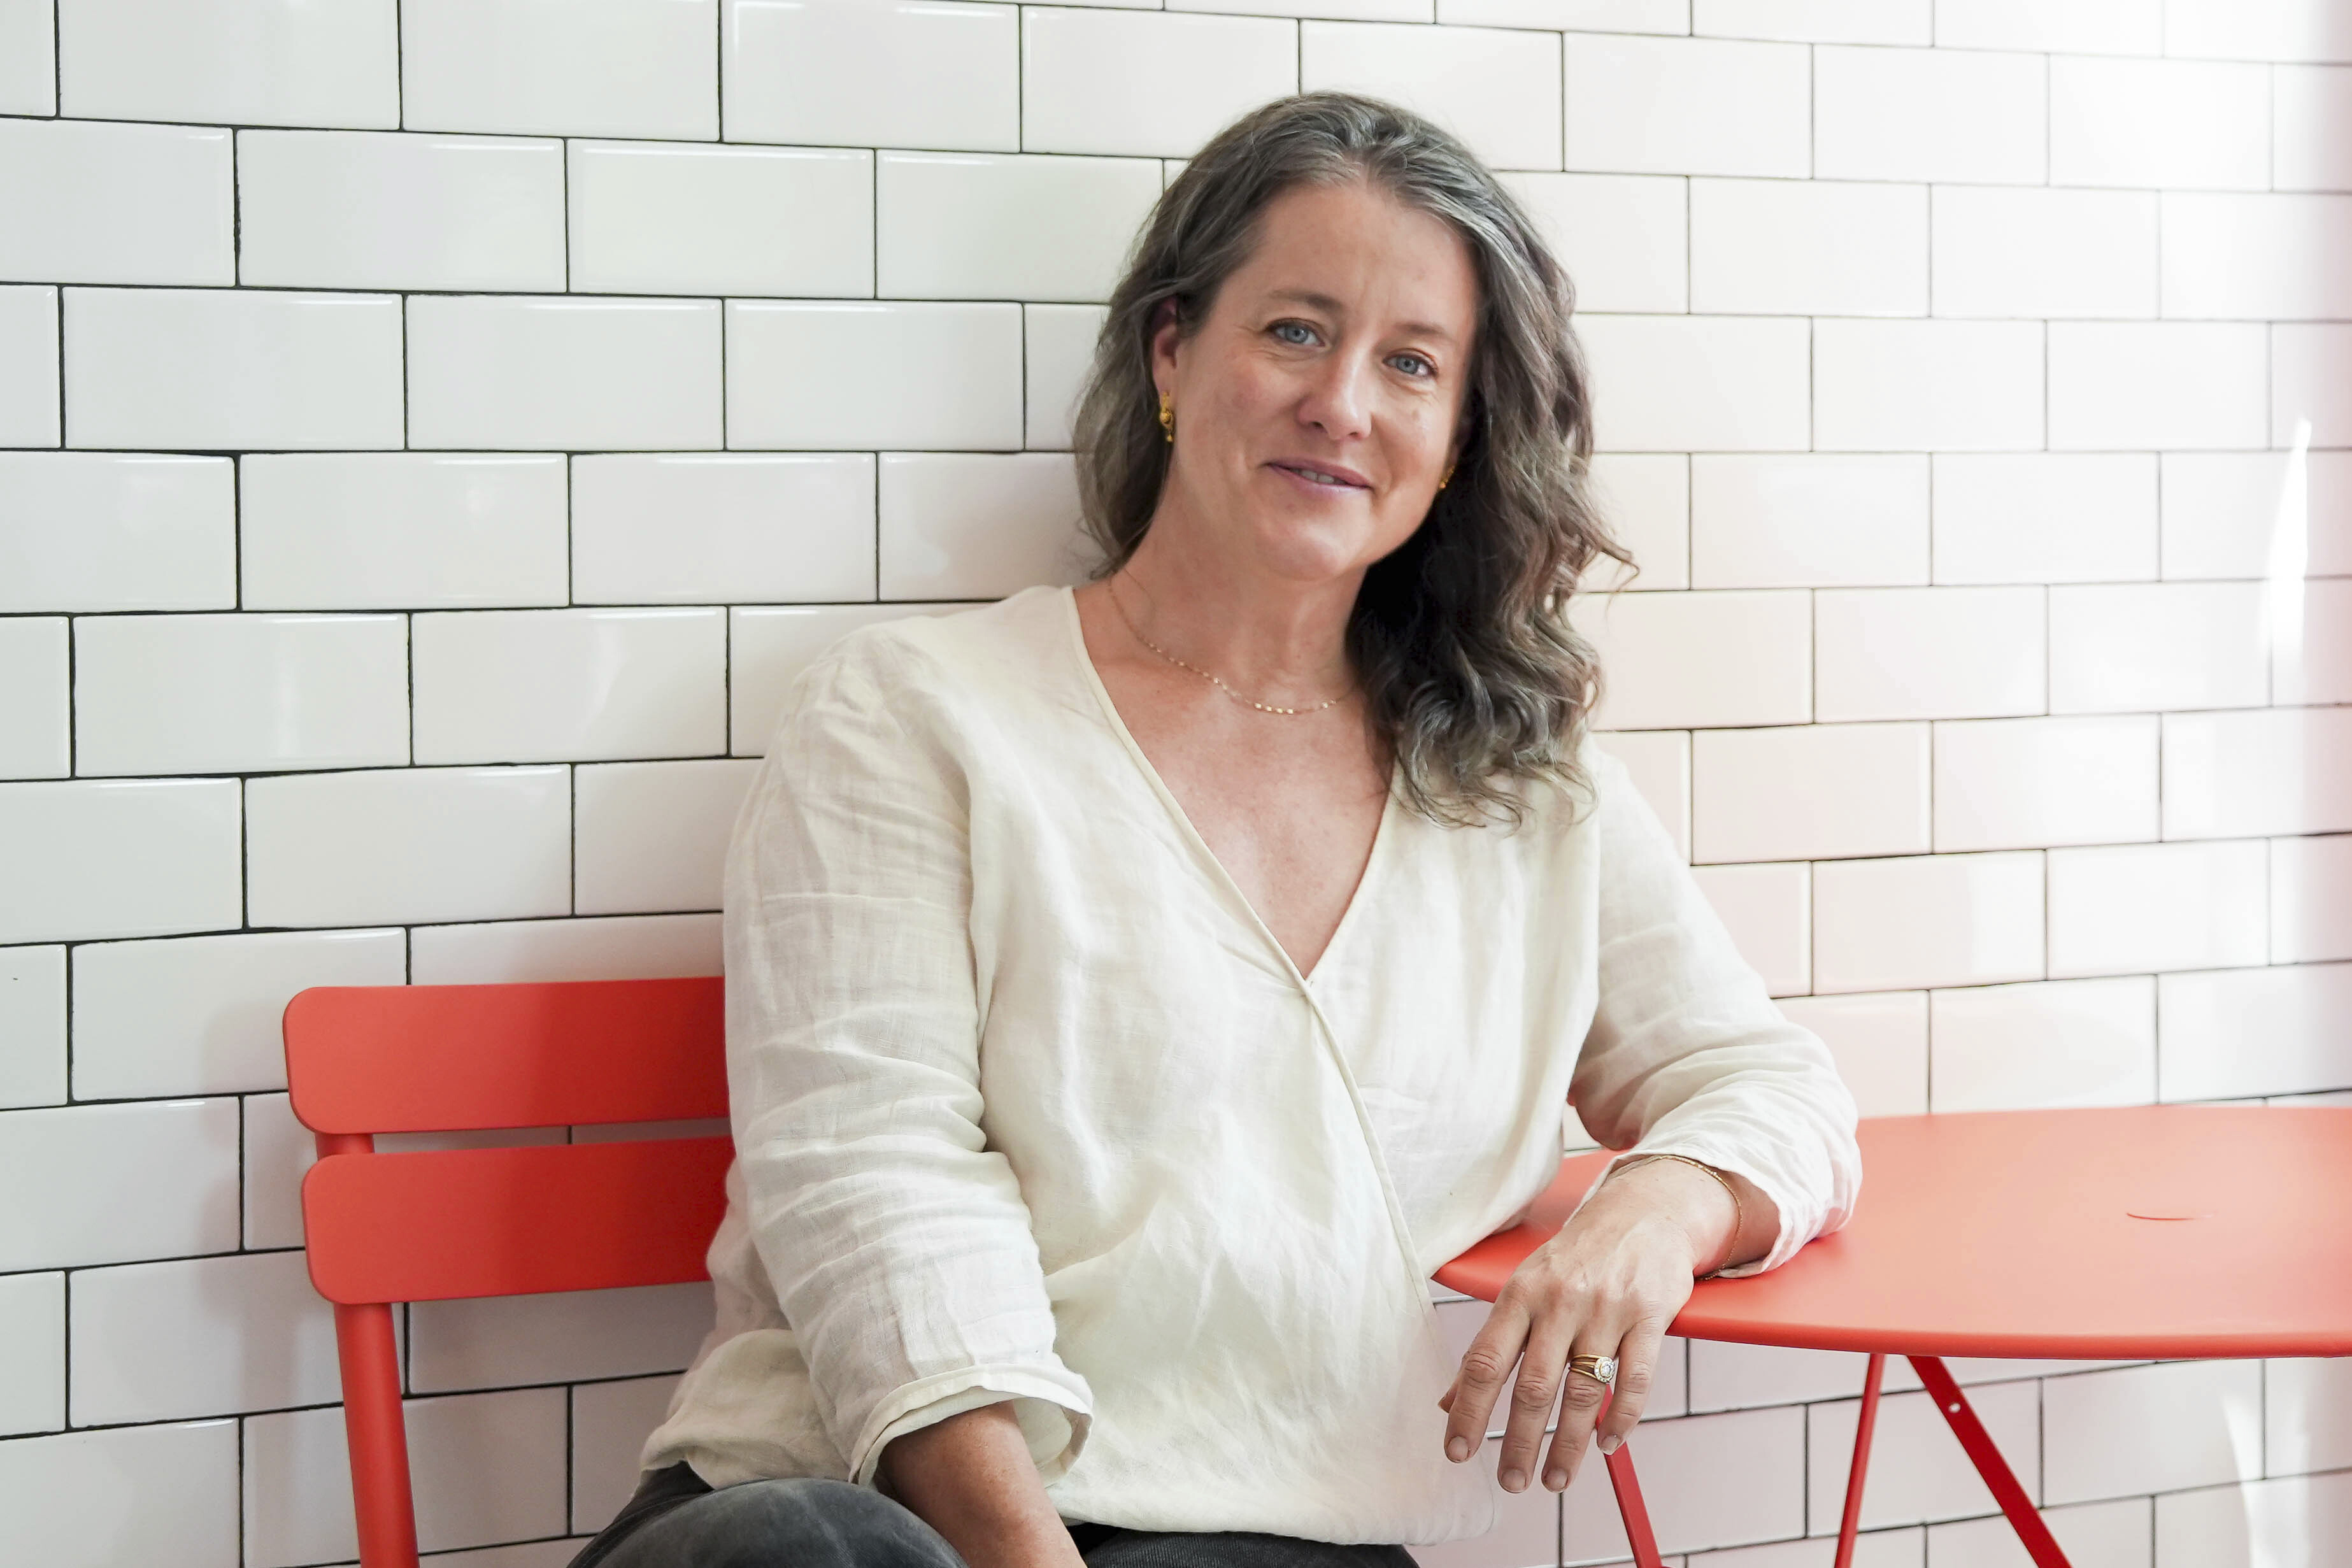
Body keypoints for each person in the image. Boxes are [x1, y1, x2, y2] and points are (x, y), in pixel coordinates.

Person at [567, 90, 1860, 1568]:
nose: (1344, 405)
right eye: (1295, 330)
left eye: (1411, 363)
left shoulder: (1519, 787)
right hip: (864, 1507)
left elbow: (1774, 1089)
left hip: (1252, 1532)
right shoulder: (910, 714)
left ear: (1456, 435)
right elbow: (879, 1200)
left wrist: (1655, 1206)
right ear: (1172, 350)